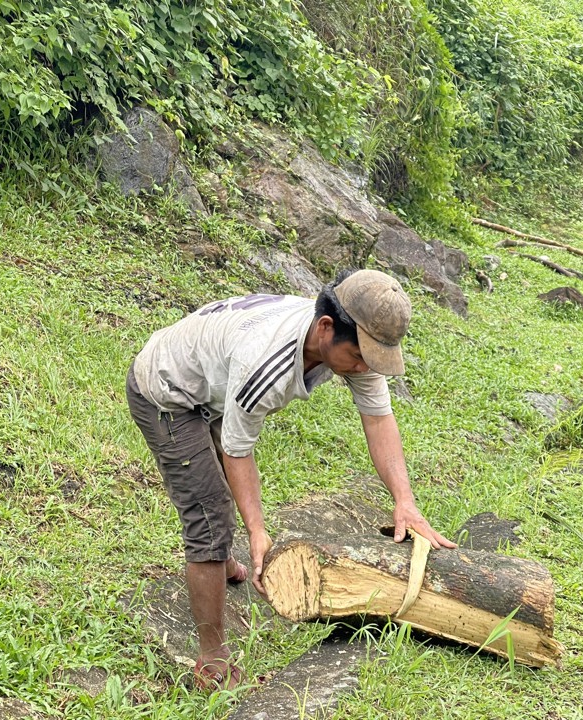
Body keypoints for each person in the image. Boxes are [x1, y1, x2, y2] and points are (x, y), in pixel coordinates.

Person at [126, 268, 456, 691]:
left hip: (213, 385)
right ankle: (212, 659)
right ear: (326, 328)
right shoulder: (265, 361)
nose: (362, 368)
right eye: (357, 357)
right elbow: (237, 450)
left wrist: (405, 501)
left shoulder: (350, 342)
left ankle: (223, 561)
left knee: (218, 500)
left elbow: (379, 420)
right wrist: (257, 531)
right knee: (208, 517)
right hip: (167, 389)